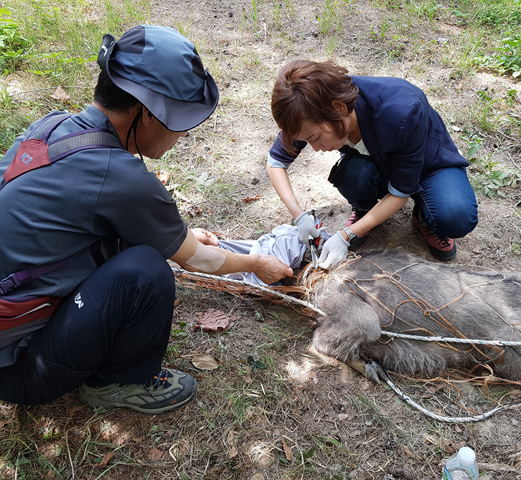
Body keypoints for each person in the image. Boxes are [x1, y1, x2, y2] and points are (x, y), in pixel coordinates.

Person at [0, 25, 293, 414]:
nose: (184, 134)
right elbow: (198, 261)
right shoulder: (118, 176)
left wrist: (179, 236)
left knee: (144, 250)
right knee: (147, 270)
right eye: (180, 121)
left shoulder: (53, 126)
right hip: (19, 368)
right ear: (146, 114)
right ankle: (115, 384)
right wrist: (256, 263)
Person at [267, 60, 478, 269]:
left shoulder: (401, 112)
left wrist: (345, 235)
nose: (315, 148)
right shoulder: (305, 109)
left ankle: (424, 217)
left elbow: (400, 193)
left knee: (456, 217)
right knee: (353, 175)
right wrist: (300, 216)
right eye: (307, 141)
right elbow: (275, 163)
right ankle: (365, 211)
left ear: (339, 108)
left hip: (431, 165)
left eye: (315, 137)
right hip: (381, 163)